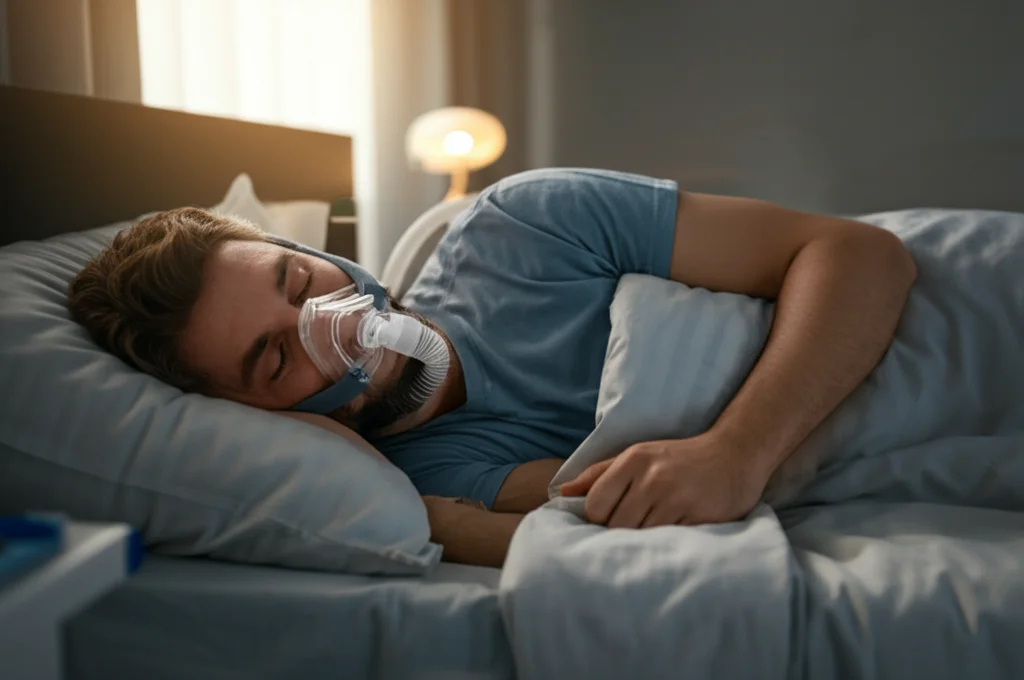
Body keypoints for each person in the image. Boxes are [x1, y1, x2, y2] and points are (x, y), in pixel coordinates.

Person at [68, 169, 917, 567]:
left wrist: (739, 448)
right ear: (259, 415)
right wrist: (425, 513)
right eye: (277, 357)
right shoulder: (425, 477)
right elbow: (634, 531)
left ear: (304, 249)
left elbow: (858, 254)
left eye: (297, 283)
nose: (327, 320)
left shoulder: (525, 226)